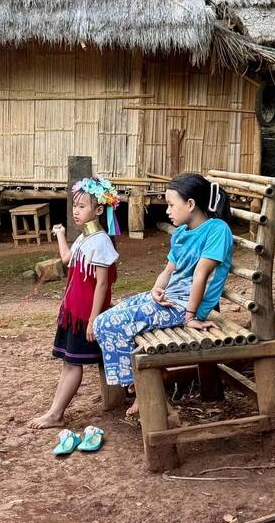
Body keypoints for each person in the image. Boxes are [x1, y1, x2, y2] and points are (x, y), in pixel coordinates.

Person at [94, 172, 233, 417]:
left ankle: (141, 390)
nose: (167, 210)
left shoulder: (217, 230)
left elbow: (201, 275)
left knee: (110, 323)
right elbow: (168, 271)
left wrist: (190, 316)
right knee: (105, 319)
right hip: (168, 300)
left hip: (183, 308)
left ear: (190, 204)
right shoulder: (180, 234)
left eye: (171, 204)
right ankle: (150, 381)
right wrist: (157, 290)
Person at [28, 176, 120, 429]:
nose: (76, 211)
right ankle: (55, 412)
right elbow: (68, 259)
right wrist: (60, 235)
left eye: (82, 206)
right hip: (73, 312)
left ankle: (56, 414)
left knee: (72, 363)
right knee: (71, 361)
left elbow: (102, 284)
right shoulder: (85, 237)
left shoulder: (100, 242)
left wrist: (93, 319)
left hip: (84, 316)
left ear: (99, 210)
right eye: (75, 206)